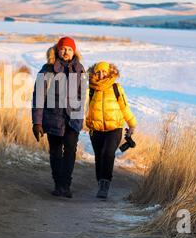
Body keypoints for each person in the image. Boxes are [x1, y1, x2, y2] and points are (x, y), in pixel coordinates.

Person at [32, 37, 86, 198]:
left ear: (74, 51)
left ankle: (66, 185)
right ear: (57, 50)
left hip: (72, 119)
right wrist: (37, 122)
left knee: (70, 151)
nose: (66, 52)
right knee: (56, 152)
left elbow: (82, 96)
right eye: (63, 49)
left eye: (69, 49)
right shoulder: (47, 69)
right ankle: (58, 184)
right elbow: (38, 97)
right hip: (53, 118)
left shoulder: (80, 69)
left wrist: (81, 118)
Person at [86, 61, 137, 199]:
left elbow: (124, 107)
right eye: (98, 72)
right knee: (98, 156)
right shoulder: (91, 89)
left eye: (104, 71)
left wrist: (132, 125)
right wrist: (83, 123)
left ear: (109, 72)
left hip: (114, 128)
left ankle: (105, 184)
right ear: (94, 73)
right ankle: (100, 182)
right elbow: (85, 108)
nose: (101, 74)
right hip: (96, 129)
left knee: (108, 153)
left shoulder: (116, 88)